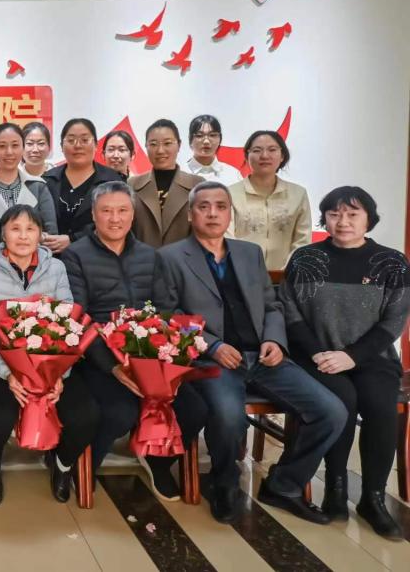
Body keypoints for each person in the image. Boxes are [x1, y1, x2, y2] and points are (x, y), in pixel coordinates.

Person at [159, 181, 346, 525]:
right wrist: (213, 345)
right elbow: (167, 316)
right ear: (190, 214)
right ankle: (224, 482)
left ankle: (284, 484)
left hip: (263, 357)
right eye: (203, 206)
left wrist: (274, 340)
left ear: (230, 213)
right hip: (211, 360)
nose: (212, 213)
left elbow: (272, 305)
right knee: (229, 417)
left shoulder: (249, 253)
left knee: (331, 411)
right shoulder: (170, 257)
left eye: (220, 206)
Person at [279, 187, 410, 540]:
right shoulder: (305, 258)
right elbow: (290, 313)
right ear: (325, 218)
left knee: (381, 406)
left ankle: (373, 498)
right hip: (316, 357)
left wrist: (351, 356)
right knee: (342, 402)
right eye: (334, 214)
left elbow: (394, 322)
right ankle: (335, 489)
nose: (343, 221)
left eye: (353, 214)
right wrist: (318, 353)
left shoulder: (391, 263)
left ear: (369, 218)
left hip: (372, 358)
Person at [63, 181, 207, 501]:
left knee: (195, 410)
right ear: (94, 214)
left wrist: (165, 356)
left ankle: (158, 459)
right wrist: (114, 367)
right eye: (106, 211)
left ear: (133, 214)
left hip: (151, 356)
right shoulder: (75, 256)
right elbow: (78, 319)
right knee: (119, 412)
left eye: (122, 211)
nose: (115, 219)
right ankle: (83, 463)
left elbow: (166, 308)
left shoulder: (149, 256)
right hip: (101, 359)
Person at [0, 205, 99, 506]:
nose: (23, 236)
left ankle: (62, 464)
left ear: (41, 234)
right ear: (2, 234)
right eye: (15, 228)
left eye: (30, 229)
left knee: (86, 416)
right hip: (2, 364)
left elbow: (68, 322)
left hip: (51, 364)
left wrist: (59, 374)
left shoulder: (56, 268)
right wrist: (7, 373)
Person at [0, 123, 58, 260]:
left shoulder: (38, 187)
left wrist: (28, 261)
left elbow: (50, 233)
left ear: (23, 149)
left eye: (15, 145)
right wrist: (0, 260)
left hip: (33, 267)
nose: (9, 152)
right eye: (2, 146)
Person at [229, 130, 312, 272]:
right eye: (257, 150)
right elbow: (227, 238)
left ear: (282, 156)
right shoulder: (230, 193)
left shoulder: (298, 194)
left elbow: (303, 240)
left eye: (272, 150)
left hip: (286, 276)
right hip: (241, 275)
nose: (264, 156)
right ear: (247, 156)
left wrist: (287, 271)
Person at [41, 118, 125, 253]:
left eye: (85, 140)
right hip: (52, 258)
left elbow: (118, 222)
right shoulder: (47, 180)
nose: (78, 145)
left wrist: (73, 239)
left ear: (96, 145)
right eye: (71, 140)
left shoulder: (112, 181)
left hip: (97, 256)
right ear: (61, 146)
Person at [129, 119, 204, 248]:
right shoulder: (132, 185)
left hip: (183, 259)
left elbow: (203, 231)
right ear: (146, 146)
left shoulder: (197, 185)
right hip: (141, 259)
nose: (160, 150)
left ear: (179, 145)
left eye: (167, 143)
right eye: (153, 144)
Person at [185, 115, 242, 186]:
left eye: (212, 135)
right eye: (199, 135)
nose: (206, 141)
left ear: (220, 139)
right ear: (190, 139)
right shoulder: (179, 173)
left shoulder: (232, 174)